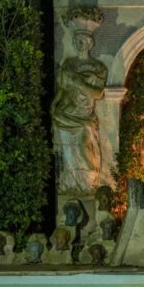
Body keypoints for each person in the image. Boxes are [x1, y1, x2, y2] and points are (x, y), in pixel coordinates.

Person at [51, 30, 107, 194]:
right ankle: (72, 184)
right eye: (77, 41)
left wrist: (79, 83)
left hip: (84, 114)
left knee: (85, 147)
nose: (79, 44)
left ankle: (89, 183)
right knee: (68, 152)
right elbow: (63, 88)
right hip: (65, 112)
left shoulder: (98, 67)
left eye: (83, 41)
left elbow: (98, 94)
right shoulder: (69, 64)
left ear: (90, 43)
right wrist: (54, 103)